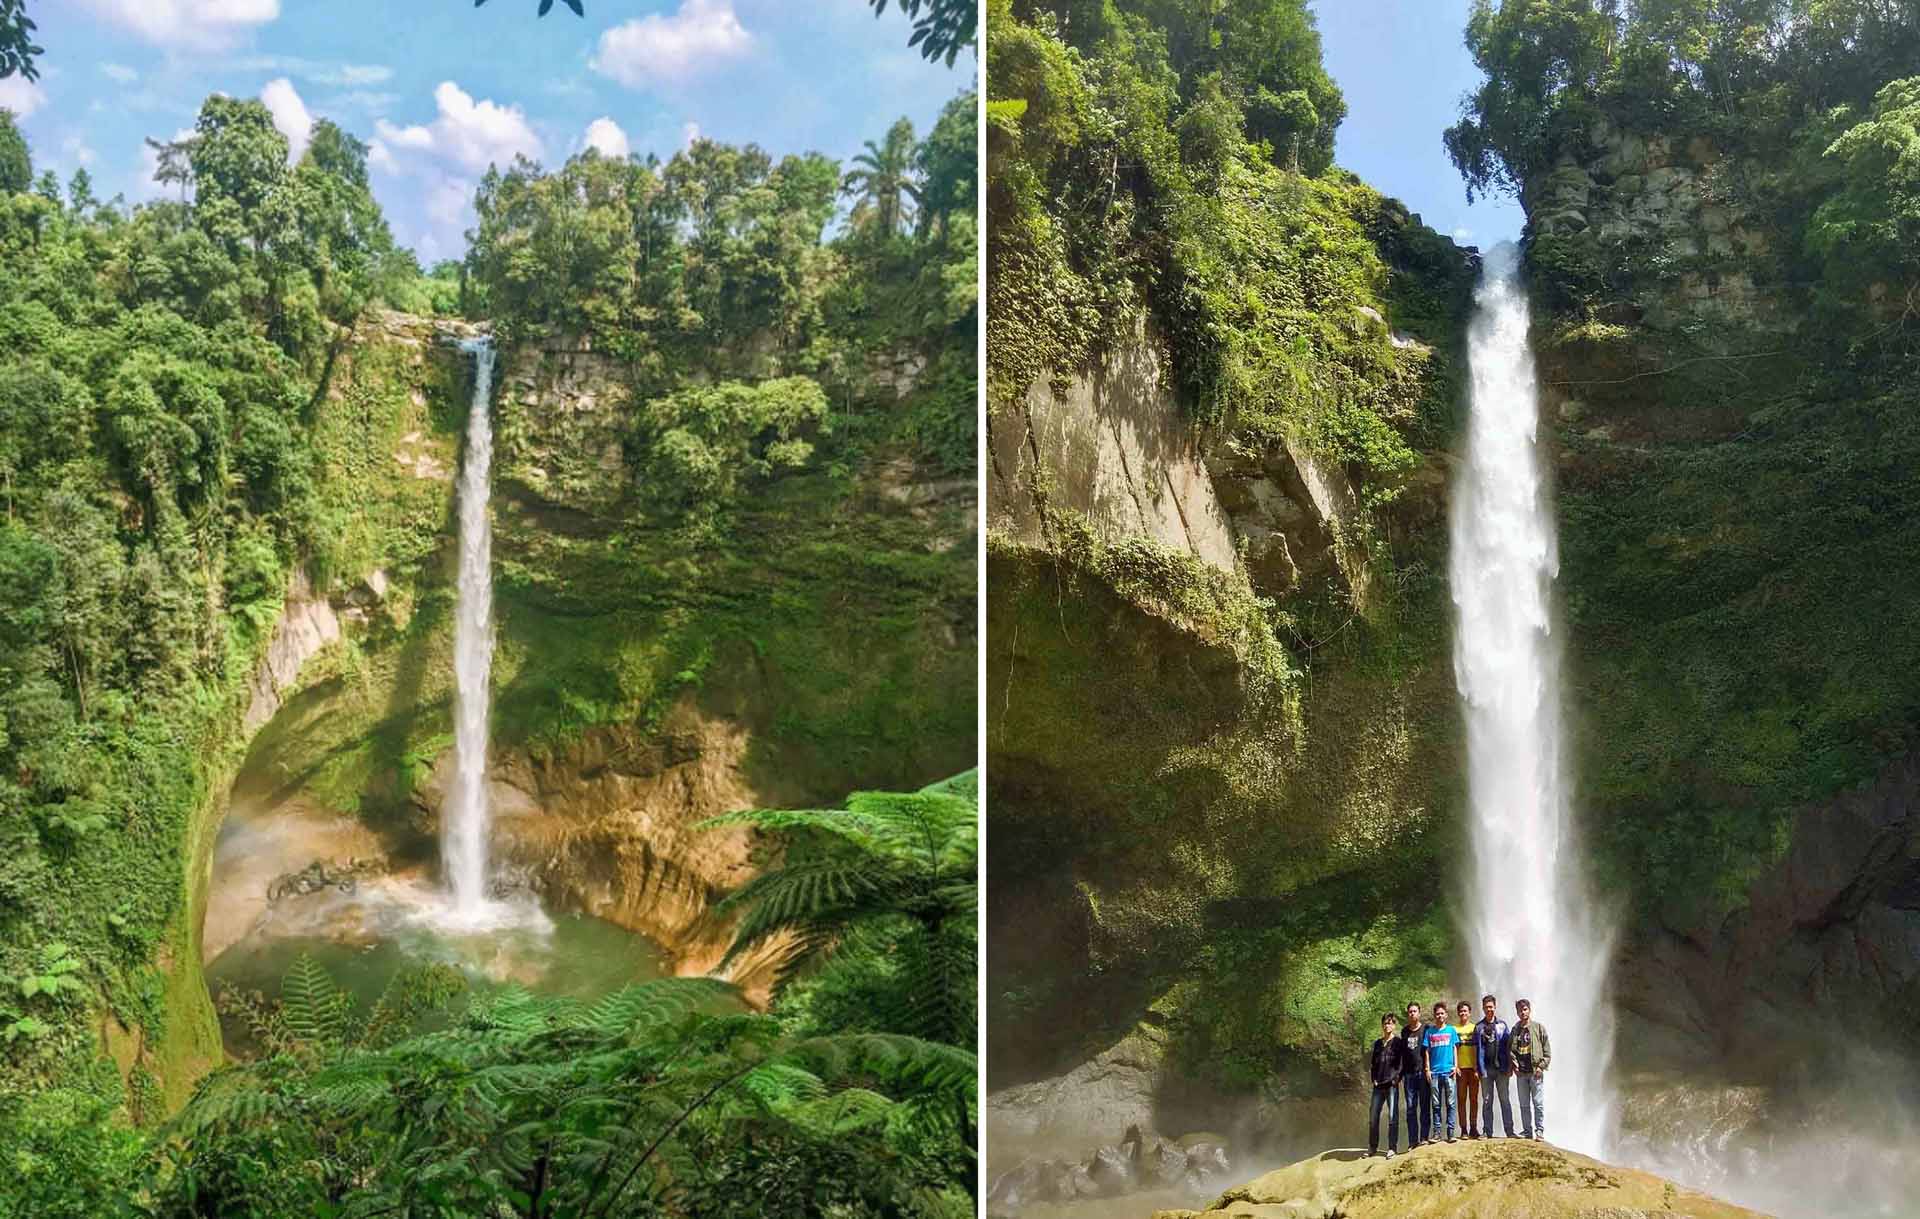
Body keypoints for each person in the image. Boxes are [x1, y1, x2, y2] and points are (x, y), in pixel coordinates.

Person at [1367, 1012, 1407, 1158]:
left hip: (1391, 1085)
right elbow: (1373, 1064)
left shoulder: (1398, 1043)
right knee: (1373, 1118)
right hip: (1378, 1085)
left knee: (1392, 1117)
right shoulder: (1378, 1043)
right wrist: (1373, 1079)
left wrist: (1397, 1079)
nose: (1387, 1025)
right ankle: (1372, 1147)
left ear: (1394, 1025)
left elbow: (1403, 1063)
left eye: (1390, 1023)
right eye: (1385, 1023)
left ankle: (1392, 1148)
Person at [1512, 998, 1552, 1141]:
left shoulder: (1538, 1028)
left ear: (1529, 1010)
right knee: (1523, 1104)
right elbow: (1511, 1051)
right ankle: (1527, 1131)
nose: (1523, 1012)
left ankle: (1539, 1131)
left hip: (1535, 1072)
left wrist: (1541, 1067)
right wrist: (1514, 1065)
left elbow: (1547, 1051)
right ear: (1517, 1012)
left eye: (1525, 1009)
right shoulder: (1515, 1030)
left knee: (1537, 1103)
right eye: (1520, 1010)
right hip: (1521, 1073)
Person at [1475, 993, 1515, 1138]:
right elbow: (1477, 1049)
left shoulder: (1502, 1025)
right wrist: (1478, 1069)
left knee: (1505, 1099)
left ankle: (1509, 1131)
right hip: (1486, 1070)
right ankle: (1487, 1131)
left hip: (1502, 1069)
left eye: (1491, 1007)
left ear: (1495, 1007)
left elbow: (1508, 1046)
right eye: (1486, 1007)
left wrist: (1511, 1066)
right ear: (1483, 1008)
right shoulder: (1479, 1027)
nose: (1489, 1009)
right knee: (1487, 1101)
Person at [1424, 1000, 1460, 1143]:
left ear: (1446, 1015)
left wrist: (1456, 1066)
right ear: (1434, 1015)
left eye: (1442, 1013)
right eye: (1437, 1014)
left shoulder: (1451, 1030)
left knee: (1451, 1103)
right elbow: (1426, 1051)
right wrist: (1427, 1069)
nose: (1440, 1016)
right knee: (1436, 1104)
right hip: (1435, 1072)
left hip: (1449, 1072)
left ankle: (1451, 1133)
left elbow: (1455, 1048)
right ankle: (1437, 1133)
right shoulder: (1430, 1031)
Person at [1400, 1001, 1430, 1148]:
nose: (1412, 1014)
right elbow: (1402, 1054)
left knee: (1424, 1106)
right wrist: (1401, 1074)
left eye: (1414, 1011)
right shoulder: (1404, 1032)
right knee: (1411, 1108)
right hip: (1409, 1075)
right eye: (1410, 1012)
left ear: (1419, 1013)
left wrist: (1428, 1069)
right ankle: (1413, 1141)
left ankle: (1424, 1137)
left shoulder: (1426, 1029)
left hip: (1423, 1074)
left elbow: (1429, 1051)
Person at [1452, 1000, 1481, 1139]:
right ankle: (1463, 1129)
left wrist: (1477, 1067)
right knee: (1461, 1099)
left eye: (1465, 1011)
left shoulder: (1475, 1028)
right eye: (1461, 1011)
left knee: (1474, 1099)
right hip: (1460, 1069)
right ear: (1458, 1013)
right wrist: (1455, 1066)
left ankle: (1474, 1128)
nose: (1463, 1013)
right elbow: (1453, 1049)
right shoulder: (1454, 1029)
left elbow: (1478, 1048)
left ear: (1470, 1013)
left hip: (1473, 1068)